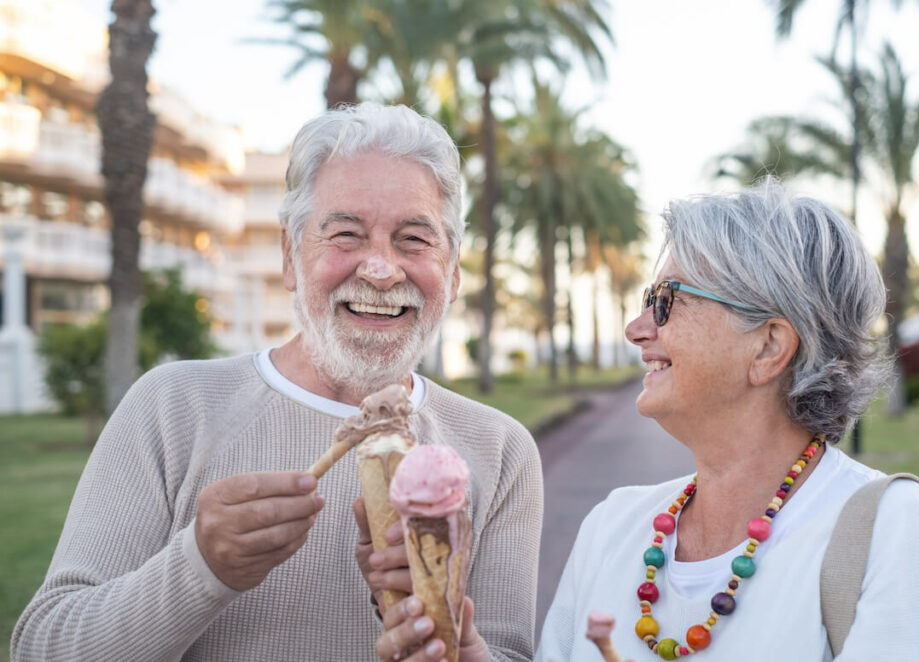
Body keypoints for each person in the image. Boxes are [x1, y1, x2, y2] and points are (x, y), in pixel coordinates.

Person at [12, 103, 542, 662]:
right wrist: (198, 566)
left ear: (454, 272)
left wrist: (436, 630)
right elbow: (43, 646)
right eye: (345, 234)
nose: (381, 270)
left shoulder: (500, 450)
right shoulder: (172, 407)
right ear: (290, 255)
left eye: (414, 239)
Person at [535, 179, 919, 661]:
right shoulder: (612, 528)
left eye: (666, 299)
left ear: (769, 346)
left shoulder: (894, 534)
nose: (637, 328)